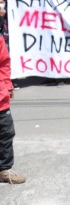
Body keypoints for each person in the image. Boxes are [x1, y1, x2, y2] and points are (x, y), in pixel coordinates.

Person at [0, 36, 25, 184]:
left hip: (1, 100)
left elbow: (4, 64)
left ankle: (4, 170)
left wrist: (7, 86)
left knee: (6, 132)